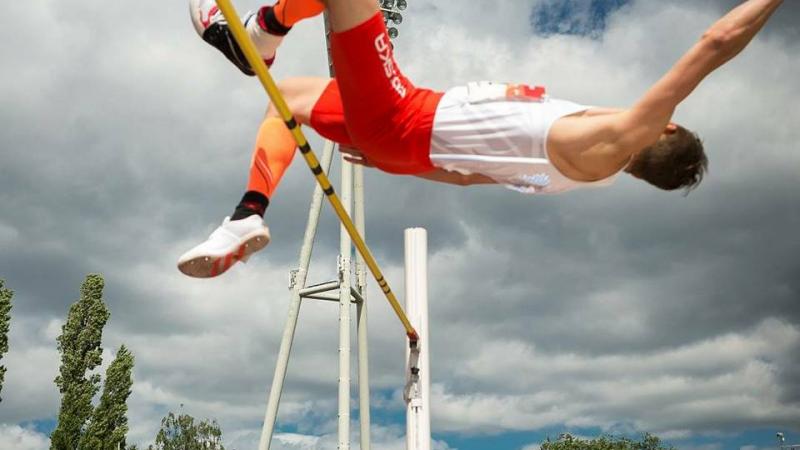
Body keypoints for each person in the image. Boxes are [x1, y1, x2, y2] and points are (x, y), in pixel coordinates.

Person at [178, 0, 783, 278]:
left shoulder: (618, 133)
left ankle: (264, 27)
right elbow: (467, 176)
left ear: (665, 128)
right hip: (405, 144)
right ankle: (245, 216)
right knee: (289, 99)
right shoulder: (575, 171)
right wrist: (396, 165)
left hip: (409, 117)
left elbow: (714, 43)